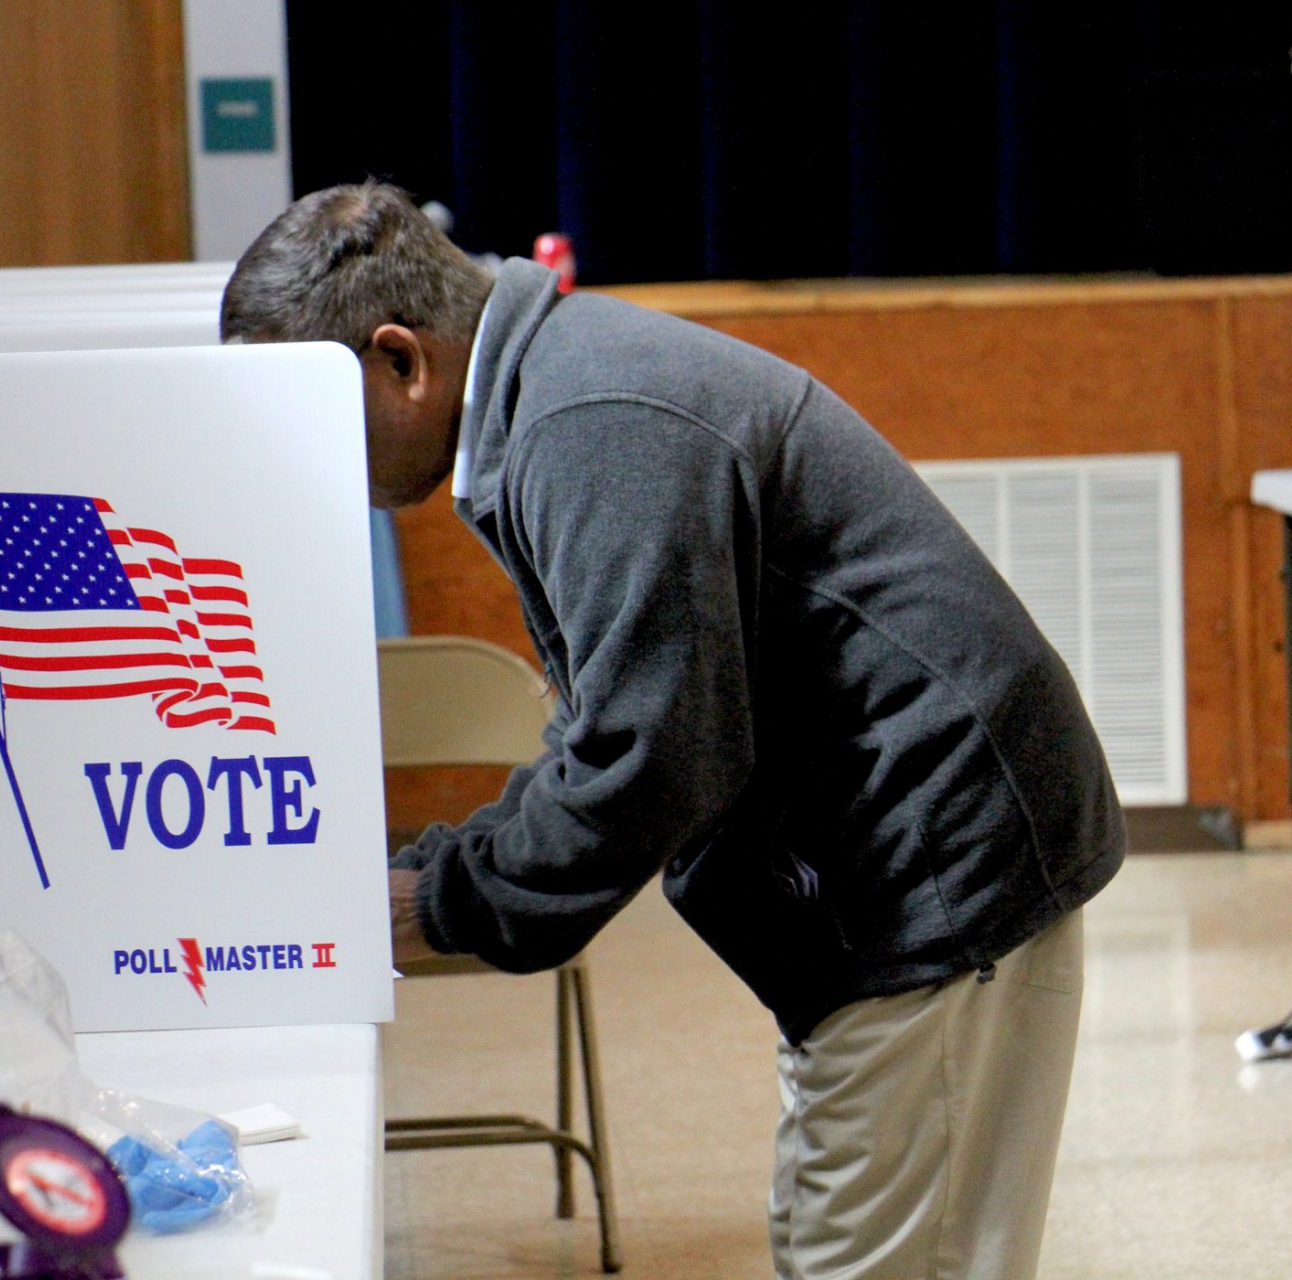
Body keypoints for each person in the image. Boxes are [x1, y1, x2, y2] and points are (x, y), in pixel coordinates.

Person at [221, 180, 1124, 1280]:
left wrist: (434, 903)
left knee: (870, 1257)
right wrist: (424, 879)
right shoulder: (558, 390)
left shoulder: (592, 427)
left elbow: (647, 762)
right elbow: (624, 728)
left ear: (400, 361)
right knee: (835, 1240)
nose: (316, 463)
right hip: (894, 862)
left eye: (312, 415)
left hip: (935, 865)